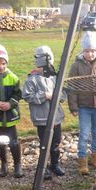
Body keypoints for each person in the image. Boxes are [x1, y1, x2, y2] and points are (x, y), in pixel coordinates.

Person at [68, 31, 96, 175]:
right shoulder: (76, 66)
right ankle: (82, 160)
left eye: (93, 51)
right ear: (83, 51)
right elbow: (72, 87)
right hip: (83, 107)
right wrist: (73, 107)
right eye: (87, 51)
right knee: (84, 134)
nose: (90, 54)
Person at [22, 45, 66, 180]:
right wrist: (44, 95)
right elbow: (27, 96)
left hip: (56, 118)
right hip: (42, 118)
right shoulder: (32, 80)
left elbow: (63, 95)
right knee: (44, 144)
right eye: (42, 68)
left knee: (56, 143)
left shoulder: (54, 78)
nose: (44, 70)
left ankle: (54, 164)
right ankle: (44, 168)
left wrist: (56, 95)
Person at [0, 43, 23, 178]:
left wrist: (10, 103)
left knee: (14, 142)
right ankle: (4, 164)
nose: (1, 67)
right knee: (0, 142)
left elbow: (18, 94)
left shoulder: (13, 77)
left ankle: (18, 164)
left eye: (3, 63)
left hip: (10, 116)